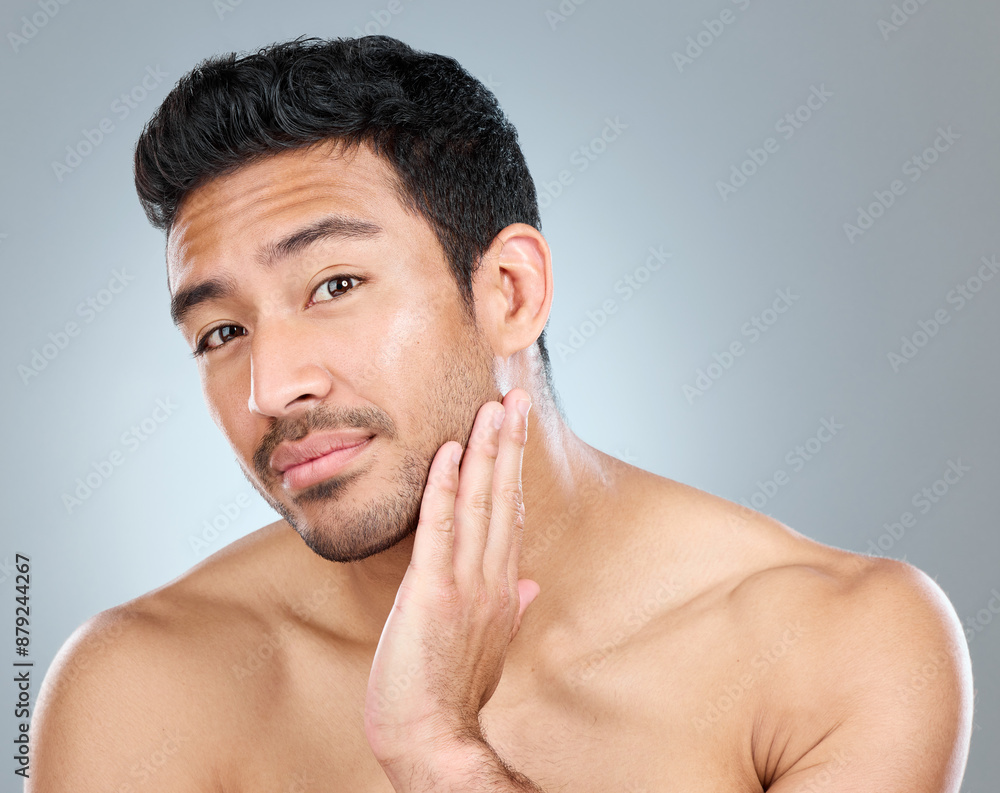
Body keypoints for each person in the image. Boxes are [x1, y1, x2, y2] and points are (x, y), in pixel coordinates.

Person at [30, 35, 973, 792]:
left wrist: (438, 753)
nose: (270, 388)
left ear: (510, 292)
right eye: (219, 332)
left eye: (335, 283)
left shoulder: (844, 644)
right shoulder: (137, 687)